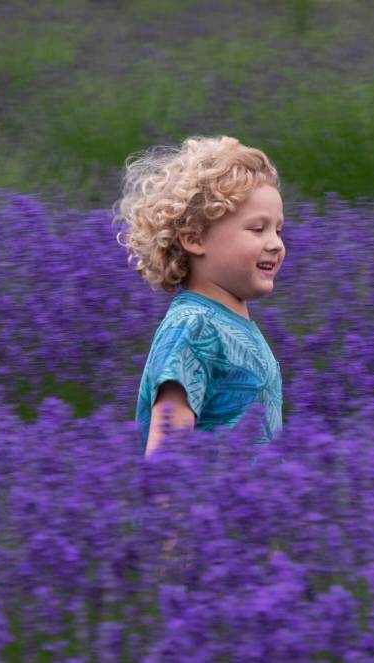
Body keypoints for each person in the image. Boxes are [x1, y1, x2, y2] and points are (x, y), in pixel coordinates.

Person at [112, 135, 285, 461]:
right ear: (194, 239)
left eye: (279, 230)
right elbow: (167, 453)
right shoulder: (194, 328)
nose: (275, 243)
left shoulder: (228, 324)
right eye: (258, 229)